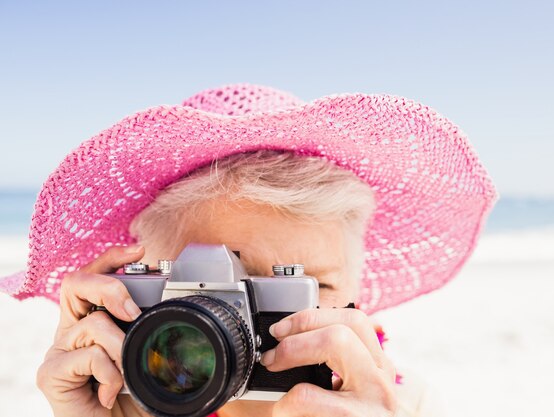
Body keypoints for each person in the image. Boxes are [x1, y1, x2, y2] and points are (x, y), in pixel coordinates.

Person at [0, 83, 497, 417]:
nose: (240, 318)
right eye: (218, 290)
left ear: (355, 288)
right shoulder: (126, 404)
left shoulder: (411, 403)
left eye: (307, 286)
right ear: (150, 296)